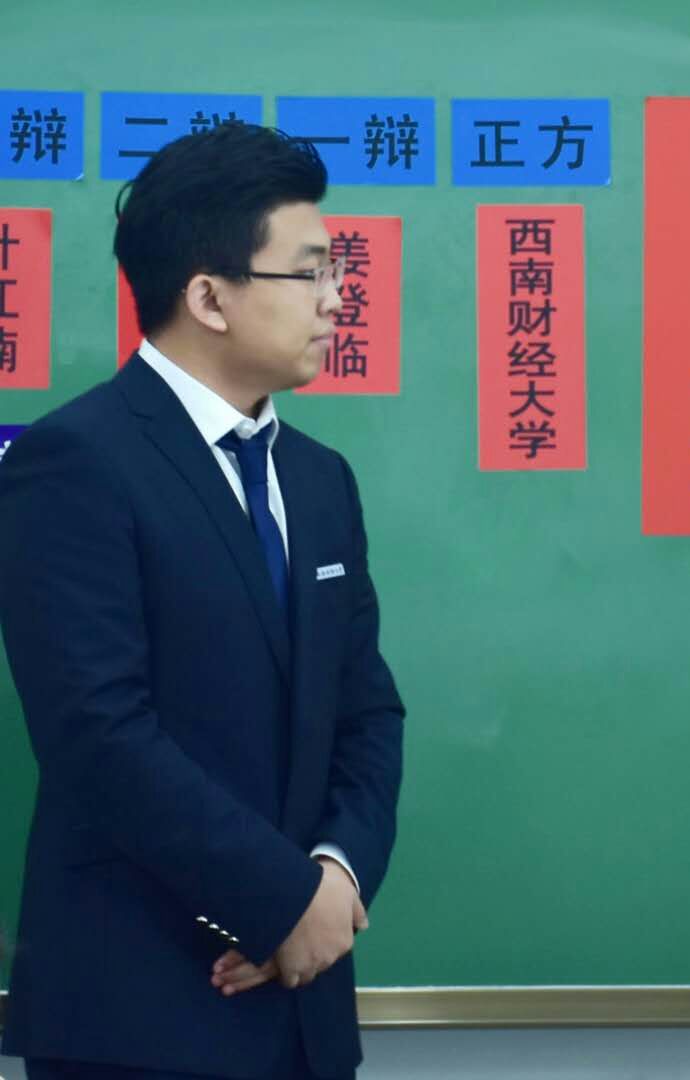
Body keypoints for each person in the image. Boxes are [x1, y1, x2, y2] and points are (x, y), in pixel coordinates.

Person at [0, 123, 404, 1079]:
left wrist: (334, 881)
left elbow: (366, 711)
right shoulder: (74, 462)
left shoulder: (319, 479)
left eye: (335, 270)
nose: (335, 297)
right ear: (209, 297)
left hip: (305, 1008)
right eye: (309, 272)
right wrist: (278, 904)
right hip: (142, 1011)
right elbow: (98, 734)